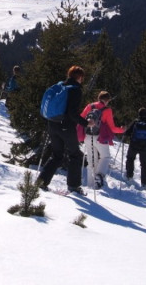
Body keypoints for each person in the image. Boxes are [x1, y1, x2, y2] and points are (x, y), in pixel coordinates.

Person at [36, 66, 90, 195]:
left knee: (57, 155)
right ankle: (74, 186)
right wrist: (86, 123)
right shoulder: (75, 90)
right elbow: (72, 113)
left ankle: (41, 182)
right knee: (75, 155)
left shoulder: (60, 86)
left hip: (52, 124)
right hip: (66, 126)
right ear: (80, 77)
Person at [77, 91, 125, 189]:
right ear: (107, 100)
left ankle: (91, 185)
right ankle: (99, 176)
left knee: (91, 161)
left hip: (87, 135)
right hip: (99, 137)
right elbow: (112, 128)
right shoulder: (107, 110)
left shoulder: (89, 106)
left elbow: (81, 118)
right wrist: (122, 130)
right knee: (105, 157)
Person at [124, 107, 146, 188]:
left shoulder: (135, 122)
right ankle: (144, 183)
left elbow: (127, 132)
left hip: (134, 144)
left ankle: (129, 176)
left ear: (139, 114)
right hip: (145, 147)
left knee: (130, 159)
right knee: (144, 165)